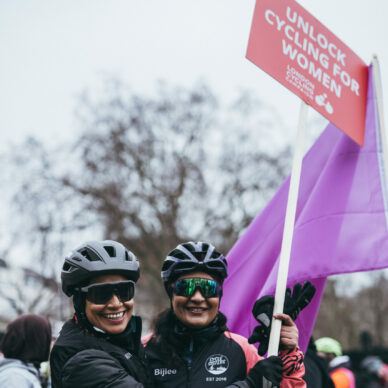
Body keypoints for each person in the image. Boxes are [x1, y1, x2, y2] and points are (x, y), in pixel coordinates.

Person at [143, 241, 306, 387]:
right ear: (171, 294)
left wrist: (288, 354)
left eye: (209, 289)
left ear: (219, 295)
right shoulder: (142, 350)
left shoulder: (244, 350)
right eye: (186, 287)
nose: (198, 298)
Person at [50, 240, 152, 388]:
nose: (116, 304)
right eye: (101, 294)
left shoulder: (117, 340)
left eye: (124, 291)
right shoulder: (83, 362)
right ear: (80, 301)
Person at [0, 313, 52, 388]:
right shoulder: (14, 378)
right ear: (36, 341)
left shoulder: (23, 373)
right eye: (46, 338)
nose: (49, 344)